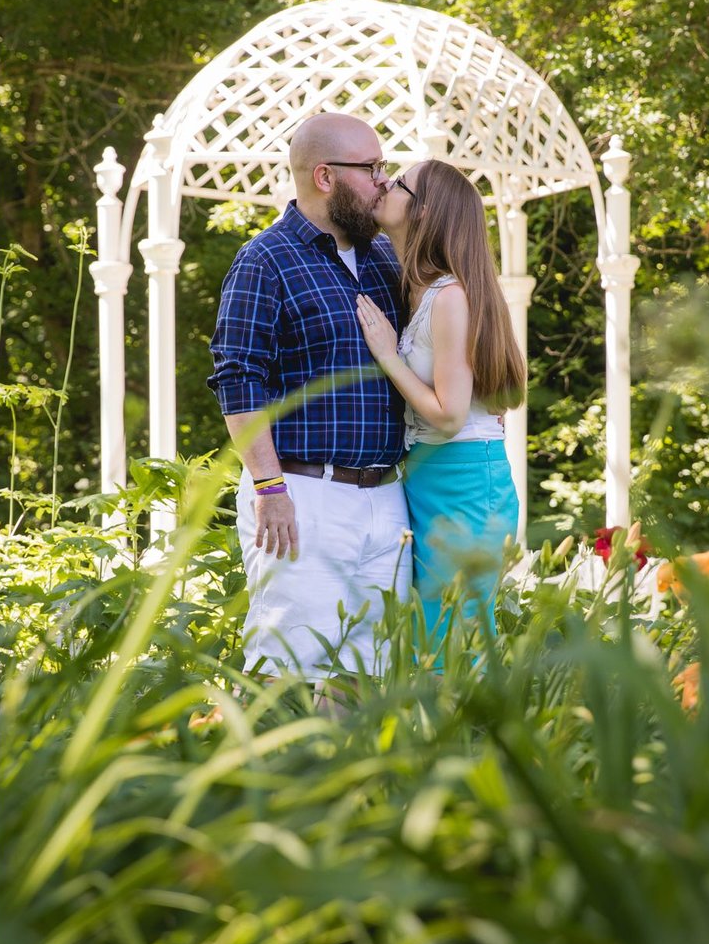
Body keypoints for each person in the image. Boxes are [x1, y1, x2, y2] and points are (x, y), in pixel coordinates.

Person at [210, 109, 411, 676]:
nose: (383, 181)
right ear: (325, 176)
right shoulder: (264, 260)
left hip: (388, 495)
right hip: (301, 495)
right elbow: (238, 378)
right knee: (290, 670)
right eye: (371, 168)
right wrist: (269, 487)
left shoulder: (384, 258)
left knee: (373, 673)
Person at [354, 155, 526, 639]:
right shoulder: (421, 289)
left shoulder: (450, 296)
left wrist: (389, 354)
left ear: (425, 211)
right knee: (434, 640)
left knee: (454, 639)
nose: (385, 183)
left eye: (400, 183)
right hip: (433, 474)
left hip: (464, 478)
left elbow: (450, 416)